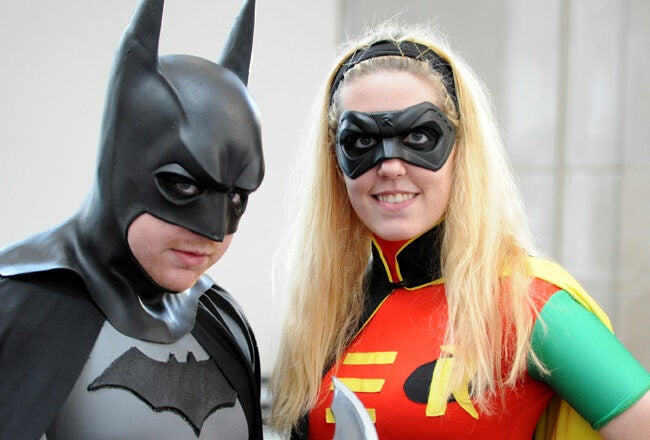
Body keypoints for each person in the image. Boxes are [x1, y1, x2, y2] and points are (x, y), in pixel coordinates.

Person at [269, 23, 650, 439]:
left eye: (419, 136)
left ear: (459, 150)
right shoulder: (326, 316)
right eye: (361, 141)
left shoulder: (527, 306)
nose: (390, 165)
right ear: (334, 160)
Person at [0, 0, 265, 439]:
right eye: (183, 187)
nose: (213, 231)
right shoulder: (18, 305)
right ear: (121, 168)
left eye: (236, 196)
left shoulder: (222, 320)